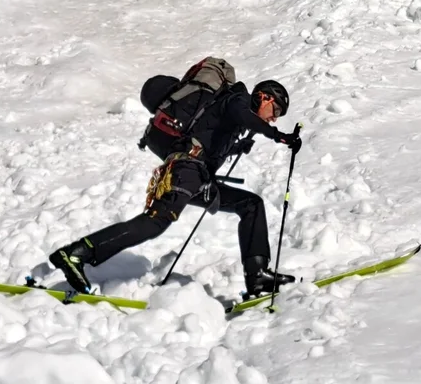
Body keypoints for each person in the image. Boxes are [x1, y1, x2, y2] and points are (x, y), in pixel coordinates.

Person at [50, 78, 302, 299]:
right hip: (185, 171)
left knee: (251, 205)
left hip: (197, 176)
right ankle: (74, 254)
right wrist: (279, 135)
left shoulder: (236, 118)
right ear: (264, 97)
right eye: (275, 109)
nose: (274, 117)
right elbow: (245, 118)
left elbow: (208, 141)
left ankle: (257, 276)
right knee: (154, 223)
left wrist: (235, 147)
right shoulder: (238, 99)